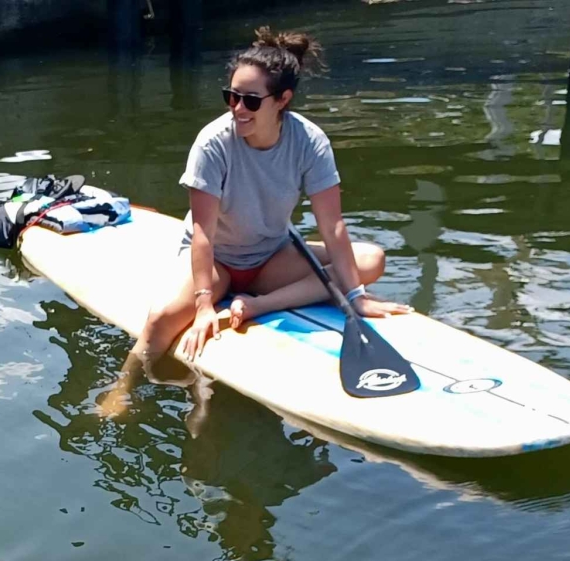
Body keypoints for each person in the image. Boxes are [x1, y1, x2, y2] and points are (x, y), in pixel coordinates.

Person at [98, 26, 410, 418]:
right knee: (162, 318)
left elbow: (332, 227)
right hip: (218, 261)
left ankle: (260, 305)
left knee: (371, 261)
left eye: (249, 100)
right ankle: (123, 386)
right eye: (231, 97)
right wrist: (204, 305)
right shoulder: (213, 143)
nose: (237, 108)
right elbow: (202, 233)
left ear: (282, 100)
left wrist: (355, 297)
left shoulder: (309, 141)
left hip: (270, 257)